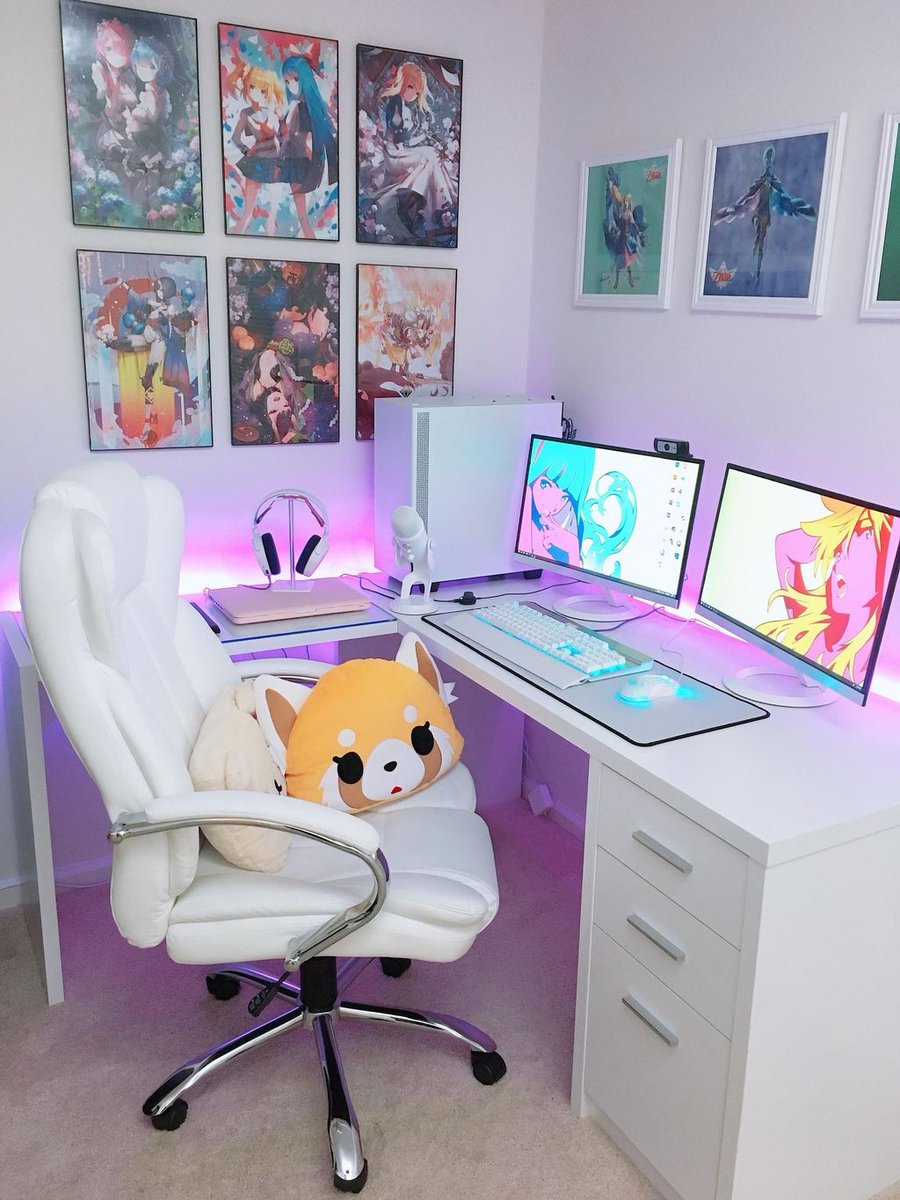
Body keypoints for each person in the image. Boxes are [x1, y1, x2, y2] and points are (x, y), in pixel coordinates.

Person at [757, 498, 894, 684]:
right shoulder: (811, 634)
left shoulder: (863, 657)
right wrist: (837, 537)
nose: (838, 566)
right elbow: (785, 545)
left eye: (864, 537)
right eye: (837, 555)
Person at [374, 61, 457, 243]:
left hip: (403, 150)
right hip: (395, 154)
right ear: (404, 84)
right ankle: (432, 210)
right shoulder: (395, 103)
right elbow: (399, 136)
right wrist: (419, 134)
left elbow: (408, 138)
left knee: (431, 154)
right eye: (413, 87)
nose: (415, 94)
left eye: (418, 90)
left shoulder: (404, 107)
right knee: (428, 156)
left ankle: (433, 210)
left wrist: (422, 136)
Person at [713, 143, 816, 284]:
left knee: (760, 241)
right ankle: (754, 271)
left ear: (772, 161)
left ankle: (755, 271)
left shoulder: (773, 183)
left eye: (770, 158)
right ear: (764, 160)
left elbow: (783, 199)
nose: (768, 161)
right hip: (758, 214)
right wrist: (734, 210)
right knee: (757, 239)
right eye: (766, 158)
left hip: (765, 215)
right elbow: (747, 199)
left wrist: (796, 208)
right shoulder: (761, 182)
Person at [276, 49, 337, 239]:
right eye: (287, 81)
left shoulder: (302, 107)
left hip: (298, 157)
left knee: (300, 199)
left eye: (295, 79)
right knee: (299, 200)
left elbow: (296, 136)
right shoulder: (297, 106)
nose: (291, 85)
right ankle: (306, 230)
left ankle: (307, 230)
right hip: (296, 156)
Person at [225, 63, 284, 235]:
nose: (257, 93)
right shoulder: (246, 113)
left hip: (275, 161)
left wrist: (280, 120)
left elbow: (283, 137)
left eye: (263, 90)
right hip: (257, 160)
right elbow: (235, 137)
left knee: (273, 214)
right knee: (247, 212)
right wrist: (246, 151)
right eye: (252, 87)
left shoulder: (272, 112)